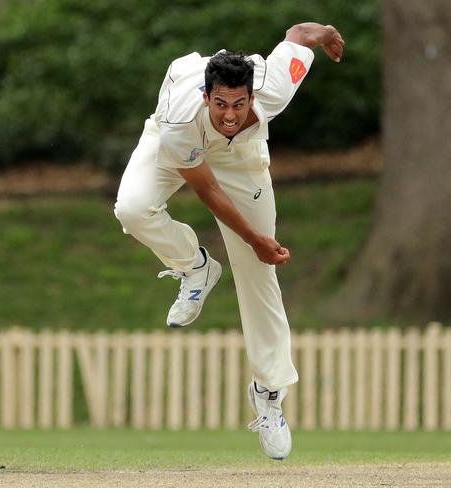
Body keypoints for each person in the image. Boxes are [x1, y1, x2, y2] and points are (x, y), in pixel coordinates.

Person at [114, 22, 345, 459]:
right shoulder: (185, 118)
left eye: (239, 104)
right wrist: (256, 236)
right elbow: (206, 191)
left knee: (261, 273)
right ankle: (194, 266)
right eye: (220, 104)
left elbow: (297, 34)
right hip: (175, 143)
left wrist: (327, 32)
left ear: (252, 96)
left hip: (242, 161)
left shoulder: (272, 87)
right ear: (206, 97)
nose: (230, 115)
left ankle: (270, 391)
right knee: (132, 207)